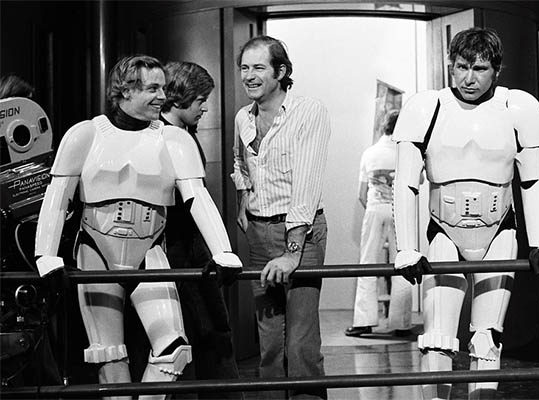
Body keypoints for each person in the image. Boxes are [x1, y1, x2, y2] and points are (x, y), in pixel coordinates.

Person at [34, 54, 242, 400]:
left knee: (174, 348)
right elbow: (57, 197)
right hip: (96, 251)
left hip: (150, 250)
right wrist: (46, 254)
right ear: (125, 91)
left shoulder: (174, 140)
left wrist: (223, 251)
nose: (163, 96)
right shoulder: (85, 135)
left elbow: (198, 197)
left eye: (163, 87)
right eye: (153, 88)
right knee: (108, 352)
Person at [391, 27, 539, 400]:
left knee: (487, 338)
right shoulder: (427, 107)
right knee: (437, 340)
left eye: (480, 68)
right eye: (462, 67)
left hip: (499, 230)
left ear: (496, 70)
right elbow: (405, 181)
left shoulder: (518, 108)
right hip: (443, 230)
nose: (469, 78)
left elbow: (534, 179)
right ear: (451, 66)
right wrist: (406, 247)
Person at [231, 35, 331, 400]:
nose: (249, 76)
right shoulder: (243, 117)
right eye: (245, 68)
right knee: (269, 340)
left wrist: (292, 252)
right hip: (259, 232)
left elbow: (306, 185)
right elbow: (240, 162)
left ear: (281, 71)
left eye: (259, 68)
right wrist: (244, 200)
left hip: (301, 233)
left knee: (301, 341)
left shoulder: (309, 111)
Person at [160, 60, 242, 398]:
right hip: (180, 249)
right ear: (179, 97)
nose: (204, 108)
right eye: (199, 100)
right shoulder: (169, 137)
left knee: (210, 334)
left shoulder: (183, 135)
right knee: (205, 335)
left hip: (192, 248)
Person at [345, 109, 413, 337]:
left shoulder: (370, 153)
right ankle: (401, 323)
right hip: (399, 211)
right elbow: (419, 181)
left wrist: (376, 207)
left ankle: (363, 321)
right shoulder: (405, 154)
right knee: (404, 263)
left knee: (367, 263)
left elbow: (361, 194)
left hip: (374, 209)